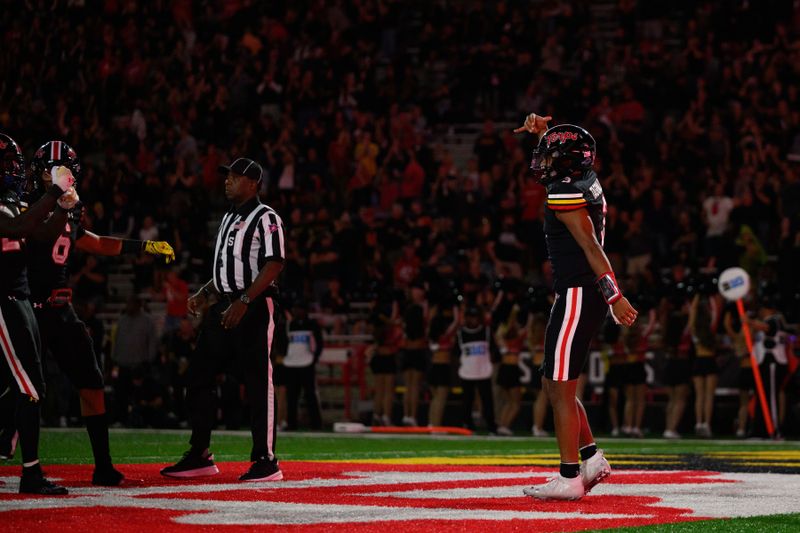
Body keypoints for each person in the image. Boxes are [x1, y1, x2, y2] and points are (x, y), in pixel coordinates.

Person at [18, 140, 174, 485]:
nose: (63, 178)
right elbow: (38, 236)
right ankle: (27, 465)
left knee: (91, 383)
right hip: (27, 309)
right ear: (42, 174)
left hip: (60, 310)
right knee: (25, 389)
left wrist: (143, 246)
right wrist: (59, 208)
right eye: (57, 171)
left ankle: (103, 466)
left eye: (68, 173)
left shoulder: (70, 208)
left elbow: (96, 242)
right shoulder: (28, 206)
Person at [514, 116, 638, 501]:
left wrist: (614, 295)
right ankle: (590, 458)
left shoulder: (564, 193)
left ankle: (570, 476)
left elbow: (591, 247)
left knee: (561, 389)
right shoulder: (579, 179)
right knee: (554, 383)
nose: (543, 162)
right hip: (579, 294)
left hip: (579, 294)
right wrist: (543, 135)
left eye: (550, 156)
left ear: (567, 163)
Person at [160, 157, 285, 482]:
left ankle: (266, 460)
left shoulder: (266, 217)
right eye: (227, 176)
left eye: (235, 177)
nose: (228, 181)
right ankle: (200, 453)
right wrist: (205, 292)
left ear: (254, 184)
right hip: (224, 306)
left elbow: (274, 263)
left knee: (258, 382)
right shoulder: (229, 217)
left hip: (255, 306)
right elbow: (228, 270)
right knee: (198, 377)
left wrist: (244, 300)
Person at [0, 133, 77, 495]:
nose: (16, 172)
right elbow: (16, 228)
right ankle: (30, 473)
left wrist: (62, 208)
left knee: (32, 385)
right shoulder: (7, 208)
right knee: (28, 387)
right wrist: (51, 196)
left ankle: (11, 448)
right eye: (10, 166)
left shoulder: (12, 202)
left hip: (20, 298)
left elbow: (40, 235)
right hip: (3, 300)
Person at [456, 306, 498, 434]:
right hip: (467, 372)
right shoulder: (460, 334)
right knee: (467, 400)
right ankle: (467, 425)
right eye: (470, 317)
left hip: (483, 372)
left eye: (475, 317)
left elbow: (494, 350)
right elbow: (455, 353)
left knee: (487, 400)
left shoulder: (486, 331)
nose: (473, 320)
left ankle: (491, 426)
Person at [283, 300, 323, 430]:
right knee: (292, 396)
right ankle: (291, 424)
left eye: (299, 309)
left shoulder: (312, 324)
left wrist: (314, 358)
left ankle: (316, 425)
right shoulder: (289, 324)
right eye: (295, 309)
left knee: (310, 395)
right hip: (291, 364)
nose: (297, 311)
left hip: (307, 363)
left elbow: (319, 343)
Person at [495, 305, 529, 435]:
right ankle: (504, 425)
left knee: (510, 402)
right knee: (515, 403)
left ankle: (502, 425)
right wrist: (514, 313)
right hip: (510, 370)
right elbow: (523, 329)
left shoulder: (503, 337)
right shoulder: (512, 337)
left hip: (505, 370)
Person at [688, 293, 718, 438]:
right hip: (709, 361)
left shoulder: (694, 331)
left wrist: (696, 298)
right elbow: (716, 311)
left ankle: (699, 423)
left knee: (700, 395)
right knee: (708, 396)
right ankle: (706, 424)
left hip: (699, 362)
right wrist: (710, 297)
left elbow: (692, 313)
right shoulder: (710, 328)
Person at [401, 283, 429, 426]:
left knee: (411, 385)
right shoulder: (418, 309)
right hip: (414, 349)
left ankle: (409, 415)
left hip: (411, 349)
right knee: (412, 386)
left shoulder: (411, 308)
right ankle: (410, 416)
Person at [427, 303, 459, 427]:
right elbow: (456, 322)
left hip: (433, 367)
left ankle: (431, 424)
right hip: (442, 368)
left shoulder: (431, 336)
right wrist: (456, 307)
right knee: (440, 400)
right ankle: (436, 425)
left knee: (435, 399)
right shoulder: (445, 336)